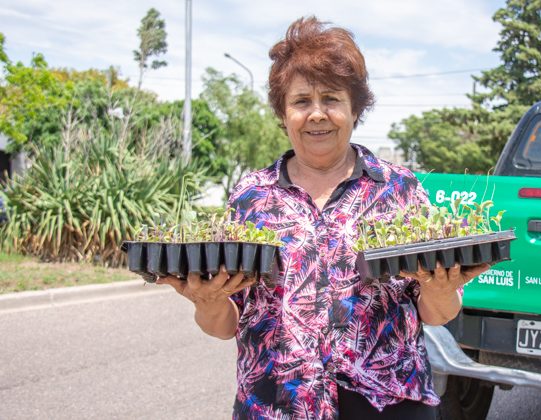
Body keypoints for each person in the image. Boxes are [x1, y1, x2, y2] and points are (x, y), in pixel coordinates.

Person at [156, 16, 490, 419]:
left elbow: (439, 314)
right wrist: (206, 302)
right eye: (301, 101)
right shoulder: (253, 197)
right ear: (283, 113)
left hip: (387, 405)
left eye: (331, 98)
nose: (317, 114)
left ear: (355, 109)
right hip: (276, 404)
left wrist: (439, 289)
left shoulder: (398, 188)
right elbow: (226, 324)